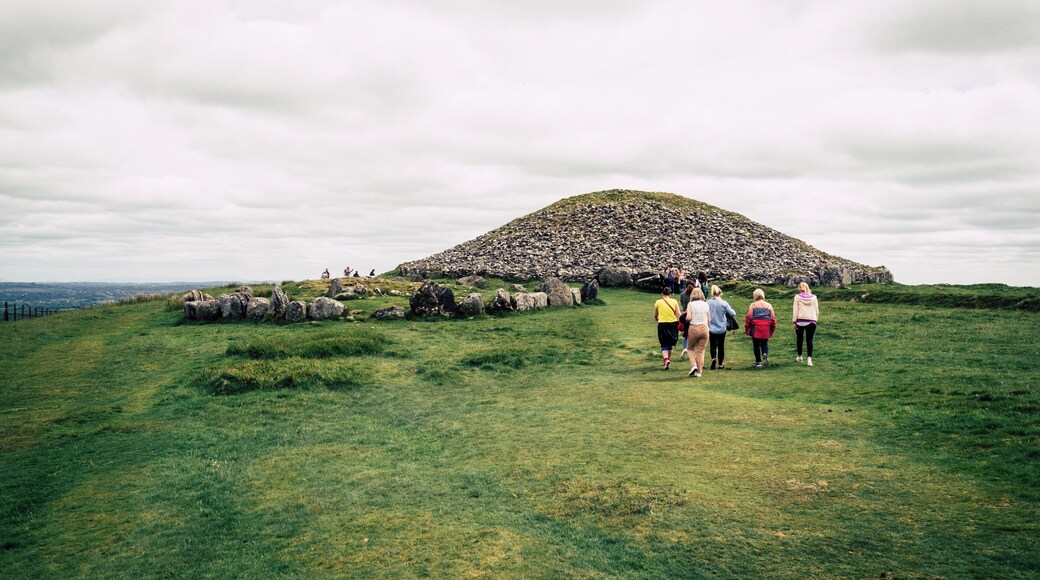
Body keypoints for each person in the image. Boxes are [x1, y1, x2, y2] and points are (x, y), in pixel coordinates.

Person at [707, 285, 737, 370]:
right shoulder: (724, 303)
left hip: (711, 327)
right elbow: (733, 314)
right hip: (721, 327)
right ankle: (720, 364)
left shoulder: (708, 302)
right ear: (720, 293)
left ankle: (713, 358)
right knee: (721, 345)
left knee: (712, 345)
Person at [745, 288, 776, 368]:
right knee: (764, 343)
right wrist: (772, 329)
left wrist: (747, 328)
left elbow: (749, 317)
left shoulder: (753, 305)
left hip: (756, 328)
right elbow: (773, 318)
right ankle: (764, 353)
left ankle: (758, 362)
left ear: (755, 296)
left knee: (756, 344)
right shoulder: (769, 305)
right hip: (766, 327)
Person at [685, 286, 710, 377]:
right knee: (701, 351)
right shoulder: (706, 304)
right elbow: (709, 319)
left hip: (694, 327)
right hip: (705, 327)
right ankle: (699, 372)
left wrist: (685, 319)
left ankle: (694, 365)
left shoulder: (690, 304)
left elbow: (688, 317)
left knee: (690, 348)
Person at [792, 282, 819, 366]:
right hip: (811, 320)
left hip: (800, 320)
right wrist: (815, 319)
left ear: (799, 289)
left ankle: (800, 356)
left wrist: (794, 321)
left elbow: (795, 309)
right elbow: (816, 310)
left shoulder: (797, 297)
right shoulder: (814, 298)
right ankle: (809, 359)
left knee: (799, 339)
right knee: (809, 340)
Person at [653, 287, 681, 370]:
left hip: (662, 324)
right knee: (670, 343)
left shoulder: (658, 302)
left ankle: (666, 359)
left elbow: (655, 314)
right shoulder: (674, 301)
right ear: (670, 294)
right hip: (673, 324)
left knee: (664, 343)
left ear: (662, 294)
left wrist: (656, 319)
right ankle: (668, 359)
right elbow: (678, 313)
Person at [678, 283, 694, 359]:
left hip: (685, 314)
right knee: (693, 332)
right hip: (694, 315)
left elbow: (681, 303)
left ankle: (685, 348)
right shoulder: (694, 295)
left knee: (685, 333)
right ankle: (691, 349)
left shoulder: (682, 294)